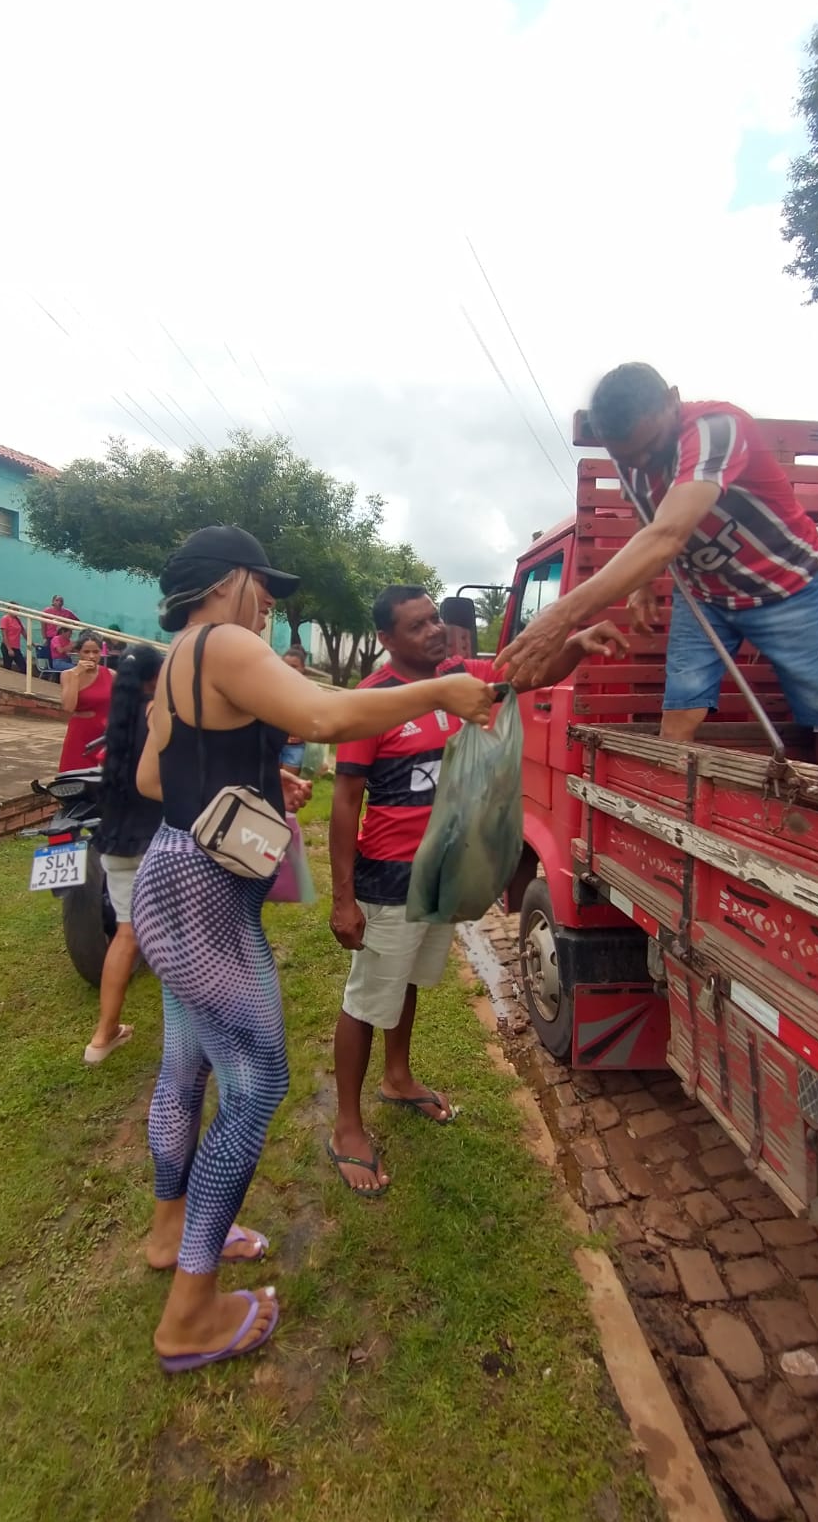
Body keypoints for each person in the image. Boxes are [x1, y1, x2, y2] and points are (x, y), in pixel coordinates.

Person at [130, 525, 494, 1374]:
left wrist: (255, 785)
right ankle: (190, 1313)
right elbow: (326, 713)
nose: (268, 603)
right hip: (207, 900)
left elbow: (153, 779)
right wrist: (442, 687)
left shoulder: (177, 655)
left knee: (184, 1071)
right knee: (256, 1087)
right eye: (263, 585)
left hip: (168, 876)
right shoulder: (224, 642)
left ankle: (170, 1232)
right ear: (228, 580)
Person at [328, 585, 627, 1195]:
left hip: (443, 872)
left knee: (408, 981)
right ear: (386, 639)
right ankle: (346, 1127)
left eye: (434, 619)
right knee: (367, 999)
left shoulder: (462, 677)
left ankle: (397, 1077)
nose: (435, 631)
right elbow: (345, 800)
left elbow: (532, 672)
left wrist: (576, 642)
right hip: (389, 875)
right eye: (417, 625)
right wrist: (342, 898)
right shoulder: (372, 701)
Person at [498, 362, 818, 777]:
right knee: (678, 721)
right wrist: (643, 583)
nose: (642, 463)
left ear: (673, 400)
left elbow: (668, 535)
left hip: (786, 588)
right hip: (706, 596)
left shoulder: (716, 430)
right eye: (627, 457)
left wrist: (561, 614)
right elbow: (649, 512)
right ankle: (671, 815)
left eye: (651, 448)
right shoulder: (632, 452)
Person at [84, 644, 163, 1065]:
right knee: (178, 937)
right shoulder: (158, 715)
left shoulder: (117, 719)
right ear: (155, 678)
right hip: (156, 839)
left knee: (126, 934)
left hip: (115, 841)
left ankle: (103, 1035)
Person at [59, 631, 114, 771]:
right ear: (78, 652)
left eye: (96, 652)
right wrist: (76, 674)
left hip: (104, 735)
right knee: (75, 775)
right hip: (80, 735)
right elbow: (68, 707)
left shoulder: (111, 675)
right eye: (86, 652)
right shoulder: (68, 675)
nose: (91, 656)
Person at [279, 648, 309, 769]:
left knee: (287, 780)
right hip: (273, 744)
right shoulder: (272, 688)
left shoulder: (308, 691)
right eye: (286, 666)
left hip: (295, 747)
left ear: (303, 668)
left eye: (294, 666)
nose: (289, 669)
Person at [0, 604, 27, 673]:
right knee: (7, 667)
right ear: (9, 609)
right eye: (14, 609)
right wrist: (9, 649)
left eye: (17, 610)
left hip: (16, 647)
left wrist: (32, 643)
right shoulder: (5, 618)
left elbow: (23, 632)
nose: (16, 611)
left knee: (23, 667)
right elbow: (4, 635)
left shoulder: (18, 620)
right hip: (7, 647)